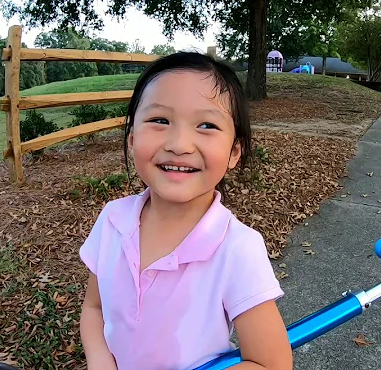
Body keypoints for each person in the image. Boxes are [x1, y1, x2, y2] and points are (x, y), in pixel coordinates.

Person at [78, 52, 293, 370]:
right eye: (160, 121)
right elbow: (94, 309)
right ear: (132, 139)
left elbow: (270, 364)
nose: (180, 144)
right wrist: (101, 363)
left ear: (234, 151)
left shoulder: (237, 249)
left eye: (206, 125)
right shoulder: (113, 220)